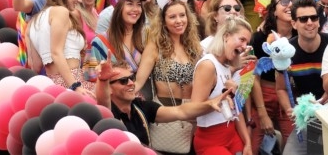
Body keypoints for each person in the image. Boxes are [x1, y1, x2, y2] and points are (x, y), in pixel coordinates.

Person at [96, 60, 233, 147]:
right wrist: (102, 81)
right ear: (109, 88)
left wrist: (211, 103)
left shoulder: (142, 106)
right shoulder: (108, 111)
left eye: (131, 78)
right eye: (123, 81)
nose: (131, 83)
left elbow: (181, 111)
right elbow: (103, 105)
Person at [131, 0, 203, 153]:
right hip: (165, 114)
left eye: (182, 15)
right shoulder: (155, 46)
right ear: (163, 21)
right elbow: (138, 82)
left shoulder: (194, 47)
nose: (179, 21)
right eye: (172, 17)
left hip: (192, 117)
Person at [190, 17, 253, 155]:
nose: (243, 46)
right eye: (241, 39)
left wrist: (248, 142)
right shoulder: (208, 65)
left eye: (247, 42)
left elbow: (236, 111)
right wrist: (224, 97)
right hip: (210, 140)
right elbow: (193, 109)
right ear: (226, 36)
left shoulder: (227, 66)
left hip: (232, 135)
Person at [277, 0, 328, 155]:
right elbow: (280, 88)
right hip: (306, 118)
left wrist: (321, 101)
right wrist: (289, 109)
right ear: (294, 24)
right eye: (303, 19)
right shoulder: (286, 51)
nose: (310, 22)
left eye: (314, 18)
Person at [27, 0, 93, 95]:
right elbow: (56, 52)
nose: (79, 0)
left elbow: (35, 65)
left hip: (52, 84)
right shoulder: (61, 11)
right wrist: (75, 86)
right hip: (72, 81)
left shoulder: (34, 20)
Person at [249, 0, 297, 154]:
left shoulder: (301, 36)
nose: (290, 5)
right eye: (284, 2)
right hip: (264, 94)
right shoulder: (259, 38)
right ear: (274, 10)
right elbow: (253, 77)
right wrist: (262, 114)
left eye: (294, 2)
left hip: (291, 95)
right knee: (253, 146)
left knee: (295, 144)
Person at [91, 0, 151, 98]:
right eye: (129, 4)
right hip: (116, 102)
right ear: (117, 8)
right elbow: (90, 76)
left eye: (139, 4)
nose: (136, 9)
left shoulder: (147, 35)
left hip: (146, 101)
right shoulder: (100, 41)